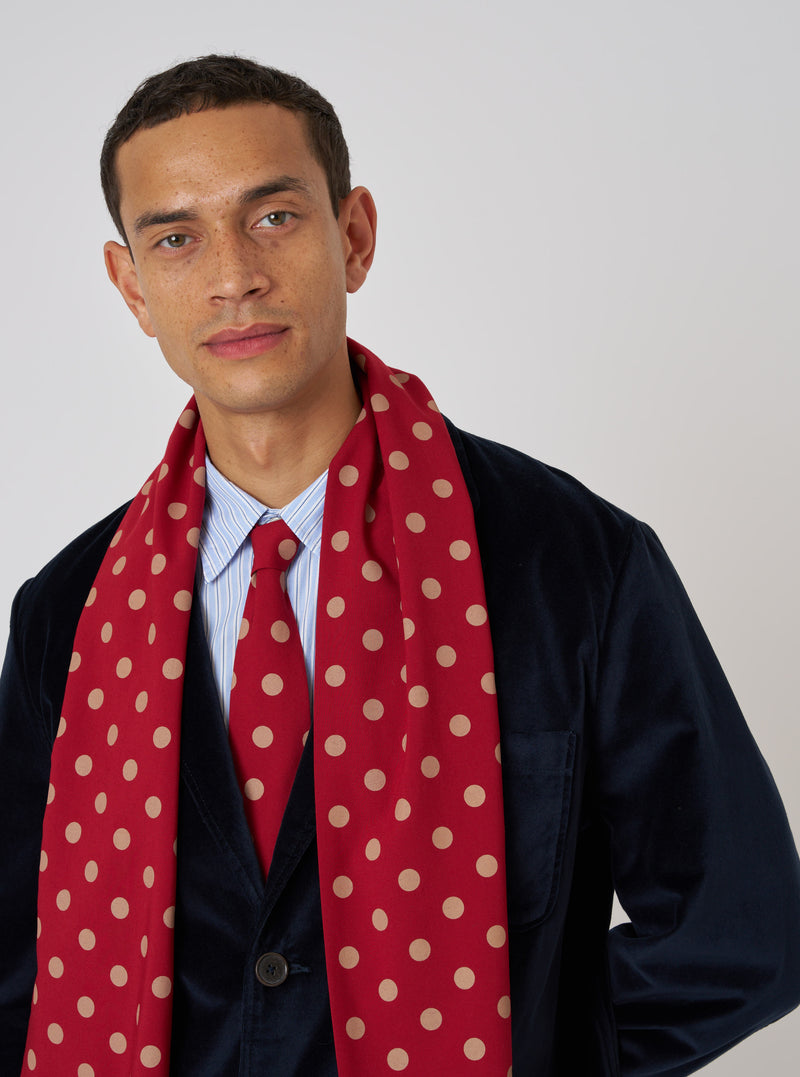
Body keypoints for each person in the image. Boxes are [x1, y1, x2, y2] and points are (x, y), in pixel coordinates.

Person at [1, 54, 798, 1077]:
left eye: (274, 217)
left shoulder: (573, 563)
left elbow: (739, 934)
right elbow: (18, 965)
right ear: (132, 285)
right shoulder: (68, 609)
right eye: (176, 236)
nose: (233, 272)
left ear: (355, 235)